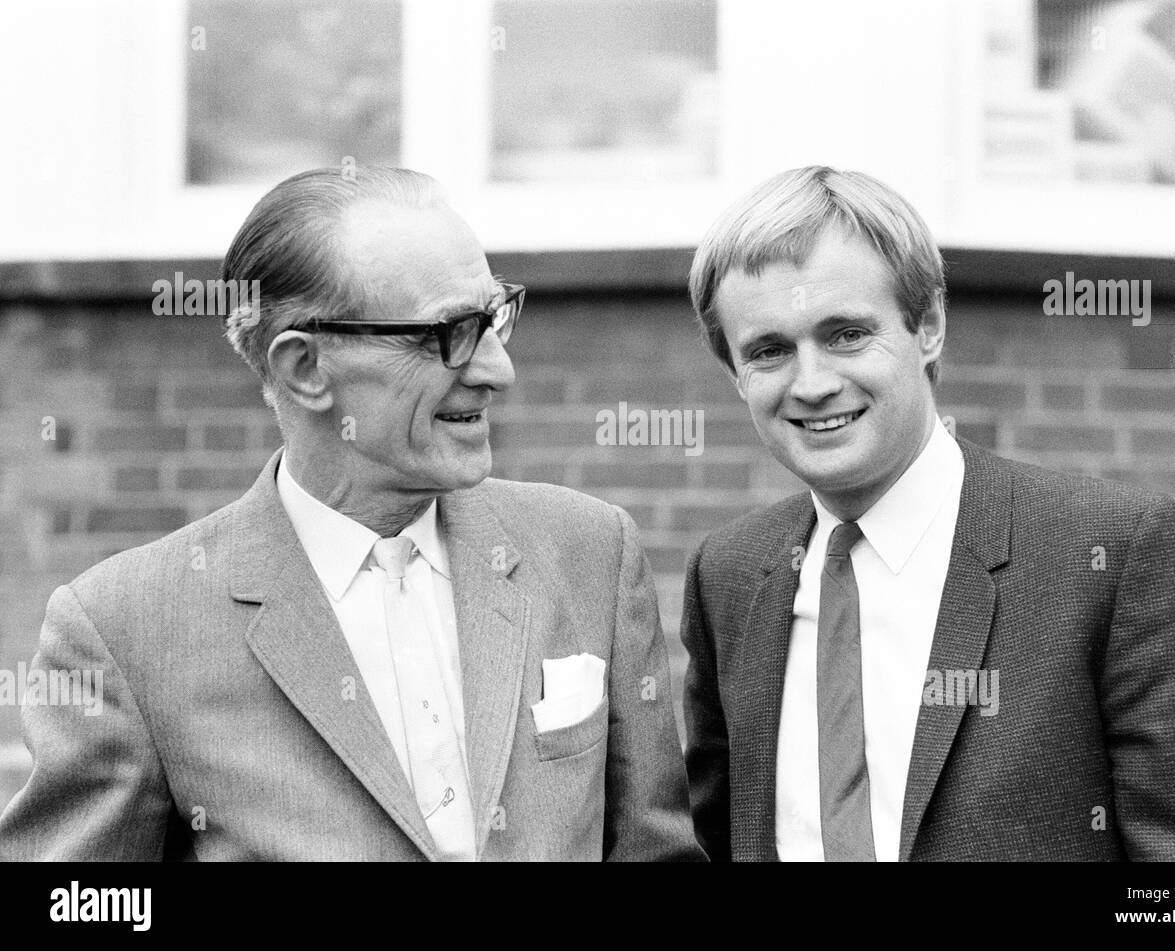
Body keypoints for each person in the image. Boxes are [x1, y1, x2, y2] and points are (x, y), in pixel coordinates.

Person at [0, 166, 702, 862]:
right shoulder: (126, 627)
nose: (496, 369)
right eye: (449, 332)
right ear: (306, 368)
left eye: (493, 319)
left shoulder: (590, 551)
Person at [679, 165, 1175, 861]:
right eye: (769, 350)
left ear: (930, 326)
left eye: (846, 334)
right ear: (734, 372)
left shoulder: (1117, 554)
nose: (812, 382)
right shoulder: (728, 577)